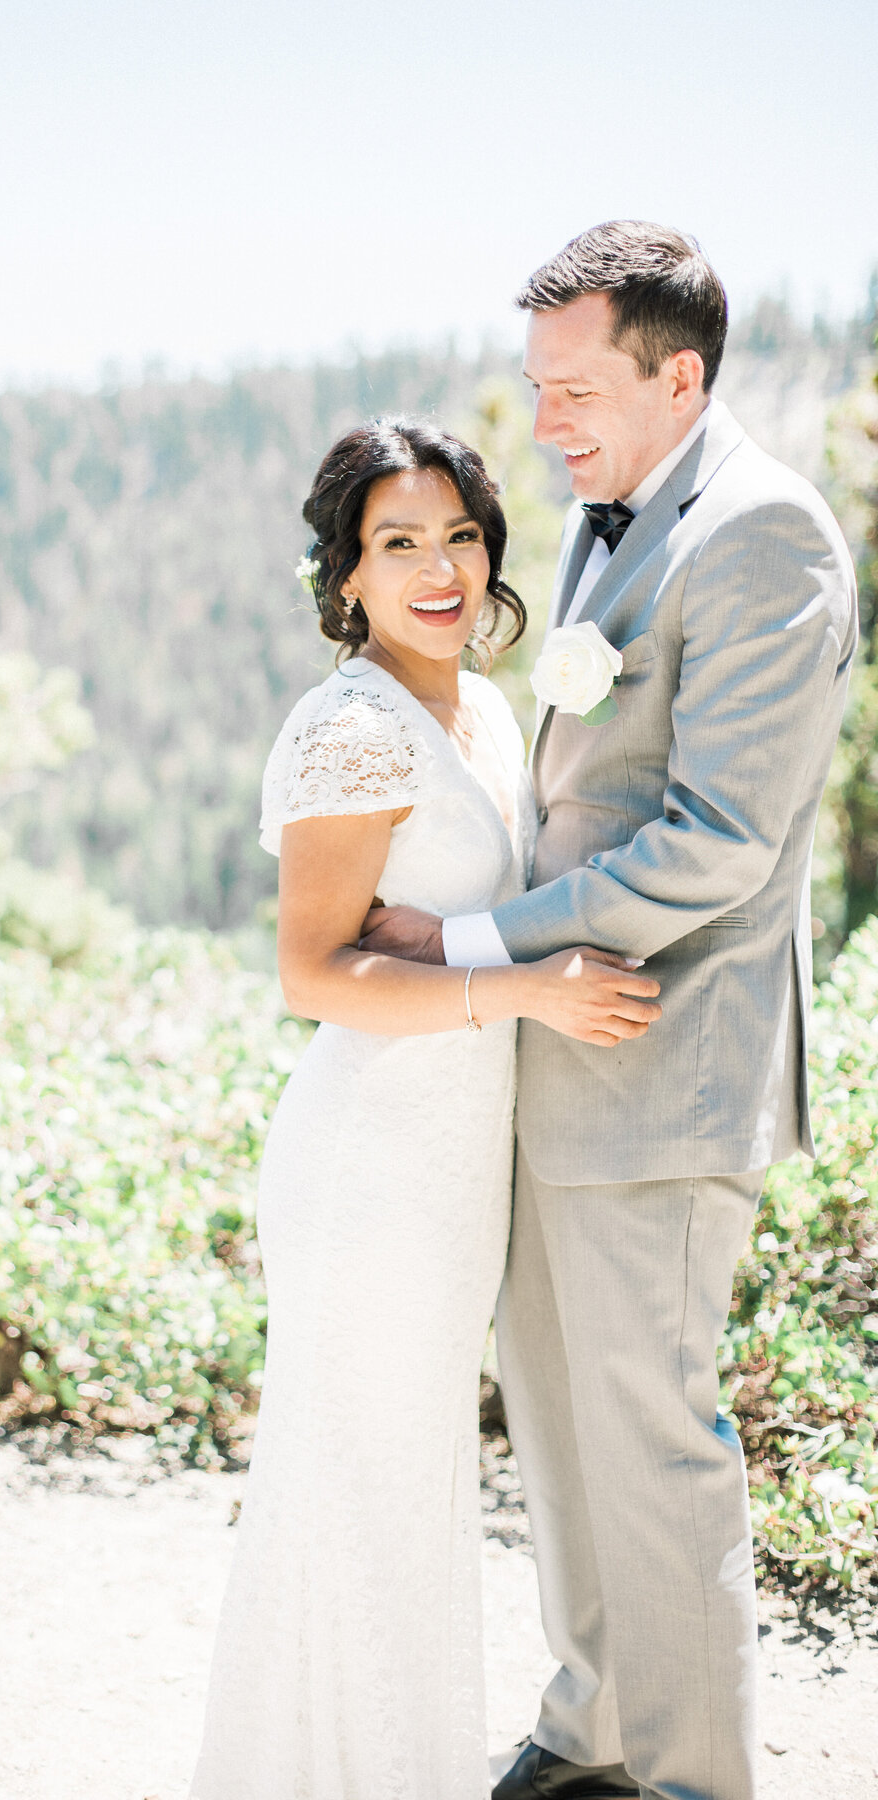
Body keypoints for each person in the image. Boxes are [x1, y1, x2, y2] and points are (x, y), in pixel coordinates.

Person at [361, 222, 858, 1800]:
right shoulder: (606, 518)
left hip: (662, 1065)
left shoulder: (766, 535)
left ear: (680, 373)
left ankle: (701, 1779)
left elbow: (719, 838)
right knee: (565, 1437)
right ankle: (591, 1737)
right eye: (537, 389)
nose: (547, 422)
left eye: (574, 389)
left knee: (654, 1453)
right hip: (548, 1066)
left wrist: (470, 939)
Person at [189, 417, 662, 1800]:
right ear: (345, 579)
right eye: (399, 543)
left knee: (413, 1492)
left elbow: (460, 916)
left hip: (459, 1165)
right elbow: (311, 973)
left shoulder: (488, 707)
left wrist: (471, 953)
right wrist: (525, 989)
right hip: (372, 1165)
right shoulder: (350, 729)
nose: (439, 566)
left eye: (459, 535)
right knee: (361, 1492)